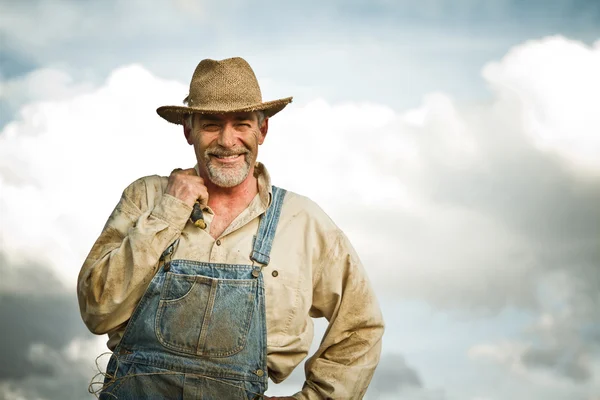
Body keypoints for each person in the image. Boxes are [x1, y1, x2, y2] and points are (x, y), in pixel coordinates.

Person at [77, 57, 384, 400]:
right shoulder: (147, 197)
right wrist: (169, 211)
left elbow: (361, 327)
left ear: (262, 131)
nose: (227, 140)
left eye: (241, 123)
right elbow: (97, 310)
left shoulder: (303, 223)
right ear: (188, 130)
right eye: (211, 124)